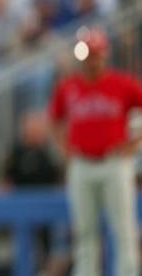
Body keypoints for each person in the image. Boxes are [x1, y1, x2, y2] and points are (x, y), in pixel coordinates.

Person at [49, 26, 142, 276]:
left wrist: (135, 143)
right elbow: (55, 120)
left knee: (124, 230)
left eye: (94, 55)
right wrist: (63, 148)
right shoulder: (68, 87)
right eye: (87, 56)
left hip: (115, 162)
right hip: (82, 163)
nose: (90, 61)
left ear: (104, 55)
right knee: (85, 232)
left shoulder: (122, 83)